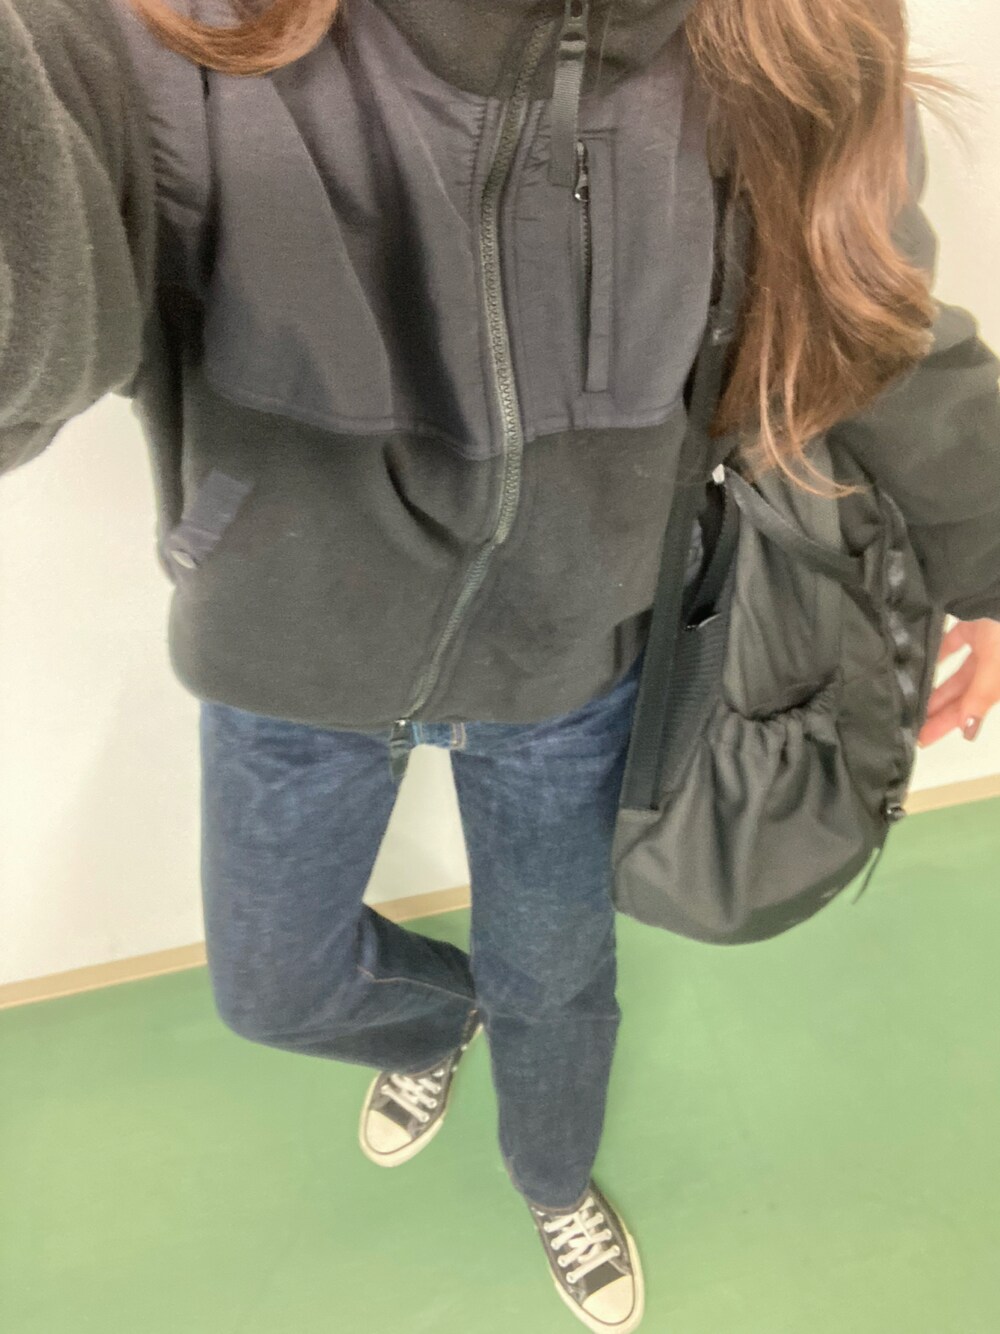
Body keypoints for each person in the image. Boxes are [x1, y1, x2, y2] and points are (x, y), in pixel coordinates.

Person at [3, 0, 1000, 1328]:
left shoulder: (788, 44)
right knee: (274, 985)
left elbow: (880, 331)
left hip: (572, 672)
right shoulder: (176, 35)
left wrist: (990, 559)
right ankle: (434, 1022)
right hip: (292, 667)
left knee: (558, 984)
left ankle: (551, 1178)